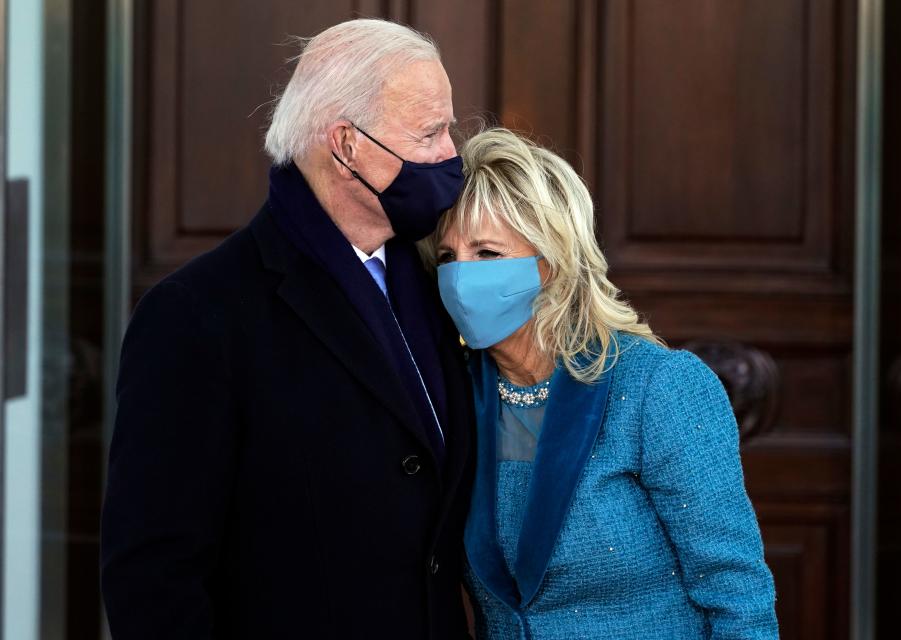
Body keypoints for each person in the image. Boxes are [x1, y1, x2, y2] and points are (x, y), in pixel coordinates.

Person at [100, 19, 475, 639]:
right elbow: (152, 577)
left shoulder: (438, 273)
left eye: (449, 129)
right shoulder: (197, 314)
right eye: (430, 132)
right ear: (345, 145)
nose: (448, 154)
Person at [424, 128, 779, 639]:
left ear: (553, 262)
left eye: (488, 254)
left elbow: (736, 590)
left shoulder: (660, 388)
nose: (461, 278)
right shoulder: (451, 396)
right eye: (448, 258)